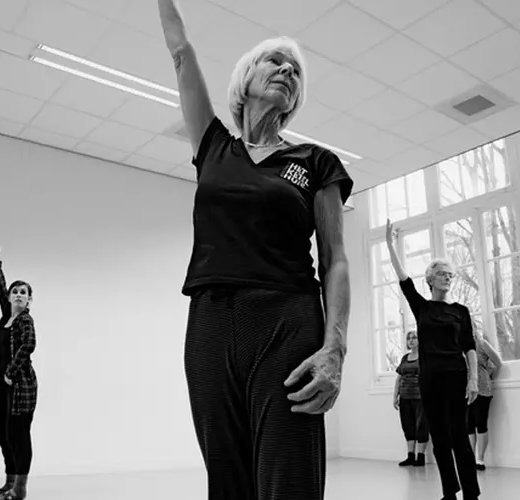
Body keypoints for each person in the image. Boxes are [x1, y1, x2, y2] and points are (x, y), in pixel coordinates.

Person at [157, 1, 353, 499]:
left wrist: (335, 349)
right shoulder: (214, 146)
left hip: (286, 321)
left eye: (295, 72)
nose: (287, 72)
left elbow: (335, 261)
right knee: (228, 481)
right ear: (246, 78)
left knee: (287, 480)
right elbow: (181, 52)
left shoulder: (314, 161)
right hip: (210, 322)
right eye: (275, 63)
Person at [385, 219, 481, 500]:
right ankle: (449, 492)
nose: (447, 277)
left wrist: (473, 378)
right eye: (441, 274)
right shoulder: (422, 307)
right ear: (430, 279)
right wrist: (390, 245)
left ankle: (472, 494)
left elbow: (469, 345)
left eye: (450, 274)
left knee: (459, 437)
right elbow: (403, 280)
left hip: (455, 376)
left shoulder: (461, 311)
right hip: (430, 379)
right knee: (439, 438)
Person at [0, 238, 38, 500]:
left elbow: (28, 346)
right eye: (14, 291)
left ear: (29, 300)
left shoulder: (26, 320)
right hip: (3, 387)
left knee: (18, 436)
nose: (17, 294)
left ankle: (21, 489)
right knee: (3, 434)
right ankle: (9, 483)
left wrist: (10, 373)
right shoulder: (7, 316)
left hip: (20, 386)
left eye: (22, 292)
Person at [466, 329, 503, 471]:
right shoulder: (459, 347)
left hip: (482, 390)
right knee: (468, 425)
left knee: (480, 423)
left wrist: (490, 377)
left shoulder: (482, 344)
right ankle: (470, 458)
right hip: (465, 391)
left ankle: (480, 459)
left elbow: (498, 363)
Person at [393, 330, 429, 467]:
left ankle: (420, 457)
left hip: (421, 397)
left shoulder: (425, 357)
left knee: (421, 426)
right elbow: (399, 377)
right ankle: (410, 456)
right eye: (409, 338)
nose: (411, 340)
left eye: (414, 338)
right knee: (408, 426)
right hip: (405, 397)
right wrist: (395, 395)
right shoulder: (404, 358)